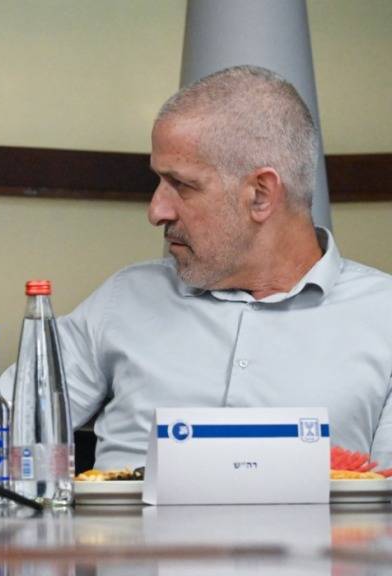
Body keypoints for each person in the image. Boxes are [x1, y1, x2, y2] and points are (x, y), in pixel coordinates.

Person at [58, 65, 392, 469]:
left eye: (181, 184)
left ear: (260, 195)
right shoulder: (123, 299)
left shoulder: (383, 317)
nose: (156, 210)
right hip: (123, 534)